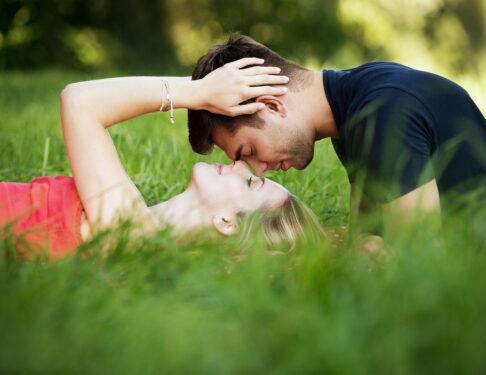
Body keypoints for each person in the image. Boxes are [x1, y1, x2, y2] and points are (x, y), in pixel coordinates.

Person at [0, 58, 323, 260]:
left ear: (226, 222)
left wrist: (199, 91)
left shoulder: (129, 232)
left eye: (252, 184)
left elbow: (78, 101)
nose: (241, 165)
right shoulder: (133, 226)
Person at [187, 34, 486, 239]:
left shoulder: (381, 111)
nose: (258, 169)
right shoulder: (356, 107)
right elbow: (364, 238)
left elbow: (416, 268)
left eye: (249, 150)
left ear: (270, 105)